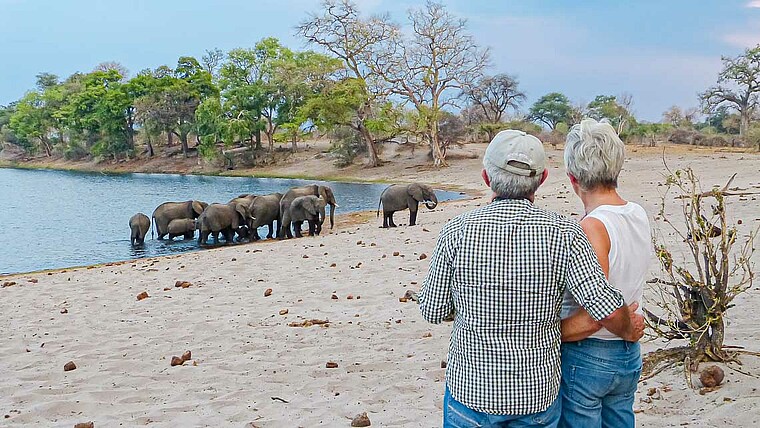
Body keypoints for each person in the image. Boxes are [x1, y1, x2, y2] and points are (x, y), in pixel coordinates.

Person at [419, 129, 644, 428]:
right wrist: (628, 330)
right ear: (542, 179)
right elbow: (604, 306)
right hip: (536, 397)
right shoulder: (564, 233)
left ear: (487, 178)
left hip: (470, 393)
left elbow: (433, 310)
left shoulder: (456, 231)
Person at [558, 119, 651, 428]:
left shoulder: (592, 227)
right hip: (627, 357)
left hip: (591, 356)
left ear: (573, 178)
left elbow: (598, 310)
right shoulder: (636, 213)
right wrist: (628, 329)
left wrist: (543, 335)